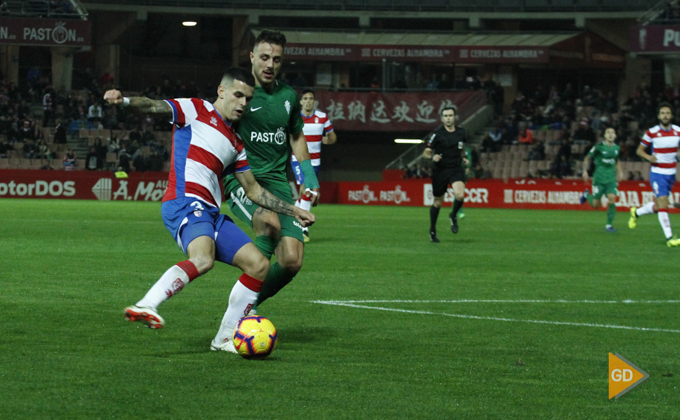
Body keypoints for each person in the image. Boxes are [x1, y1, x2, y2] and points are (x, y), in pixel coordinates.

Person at [103, 67, 315, 354]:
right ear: (221, 91)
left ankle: (224, 338)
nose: (243, 103)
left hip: (211, 212)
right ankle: (146, 304)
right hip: (184, 201)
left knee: (259, 265)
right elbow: (154, 106)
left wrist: (293, 210)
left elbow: (253, 191)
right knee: (203, 259)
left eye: (248, 98)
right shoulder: (195, 109)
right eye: (238, 95)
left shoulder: (236, 143)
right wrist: (124, 102)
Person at [223, 30, 320, 312]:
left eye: (276, 59)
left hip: (277, 183)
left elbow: (296, 137)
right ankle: (235, 314)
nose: (270, 65)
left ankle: (247, 306)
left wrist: (309, 175)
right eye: (264, 58)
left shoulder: (288, 96)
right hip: (243, 181)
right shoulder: (239, 94)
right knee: (269, 224)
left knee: (292, 261)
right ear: (252, 57)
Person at [629, 102, 680, 247]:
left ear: (671, 115)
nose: (665, 115)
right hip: (658, 173)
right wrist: (649, 157)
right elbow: (639, 150)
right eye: (662, 113)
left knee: (659, 206)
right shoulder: (652, 132)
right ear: (658, 116)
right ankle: (670, 238)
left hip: (671, 173)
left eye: (667, 113)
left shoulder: (678, 131)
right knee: (663, 203)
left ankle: (636, 212)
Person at [291, 89, 337, 242]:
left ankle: (293, 218)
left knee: (307, 191)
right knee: (306, 187)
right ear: (301, 102)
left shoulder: (322, 117)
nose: (308, 101)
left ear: (314, 102)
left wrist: (329, 140)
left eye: (311, 98)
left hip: (315, 162)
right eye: (305, 98)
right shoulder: (295, 117)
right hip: (297, 159)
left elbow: (333, 136)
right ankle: (303, 228)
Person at [422, 106, 469, 243]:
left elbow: (462, 148)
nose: (448, 118)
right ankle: (432, 230)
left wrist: (464, 157)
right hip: (440, 171)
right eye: (446, 116)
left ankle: (453, 215)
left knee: (460, 195)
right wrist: (432, 157)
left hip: (456, 168)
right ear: (442, 118)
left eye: (450, 115)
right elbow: (425, 152)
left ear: (455, 117)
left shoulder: (462, 132)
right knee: (438, 202)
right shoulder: (437, 134)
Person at [580, 127, 623, 232]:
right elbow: (587, 158)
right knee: (596, 205)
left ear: (615, 136)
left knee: (612, 198)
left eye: (612, 133)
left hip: (611, 179)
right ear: (604, 135)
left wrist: (620, 172)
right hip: (599, 179)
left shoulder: (617, 148)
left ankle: (609, 225)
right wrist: (585, 171)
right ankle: (587, 195)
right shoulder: (598, 147)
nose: (610, 134)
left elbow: (617, 160)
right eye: (608, 132)